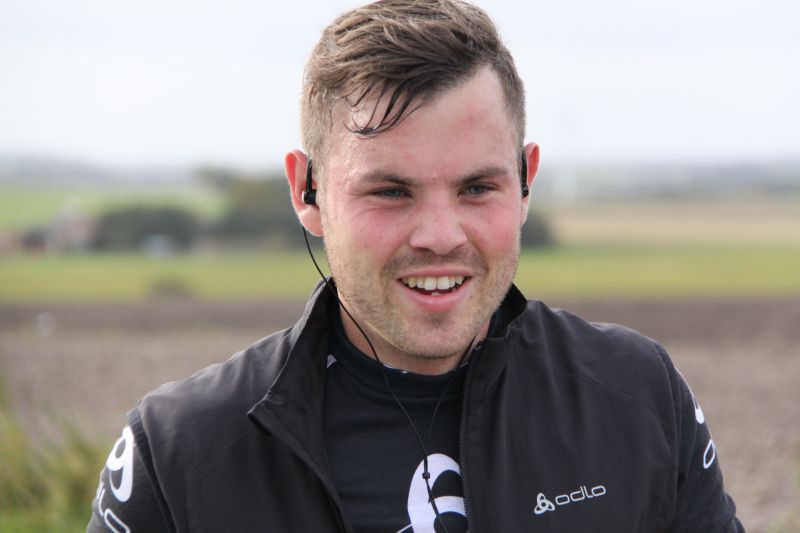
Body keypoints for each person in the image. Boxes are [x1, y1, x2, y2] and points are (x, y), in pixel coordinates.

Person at [88, 0, 744, 531]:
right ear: (306, 192)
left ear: (525, 182)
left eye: (477, 187)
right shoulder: (177, 453)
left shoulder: (638, 396)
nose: (438, 236)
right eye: (391, 191)